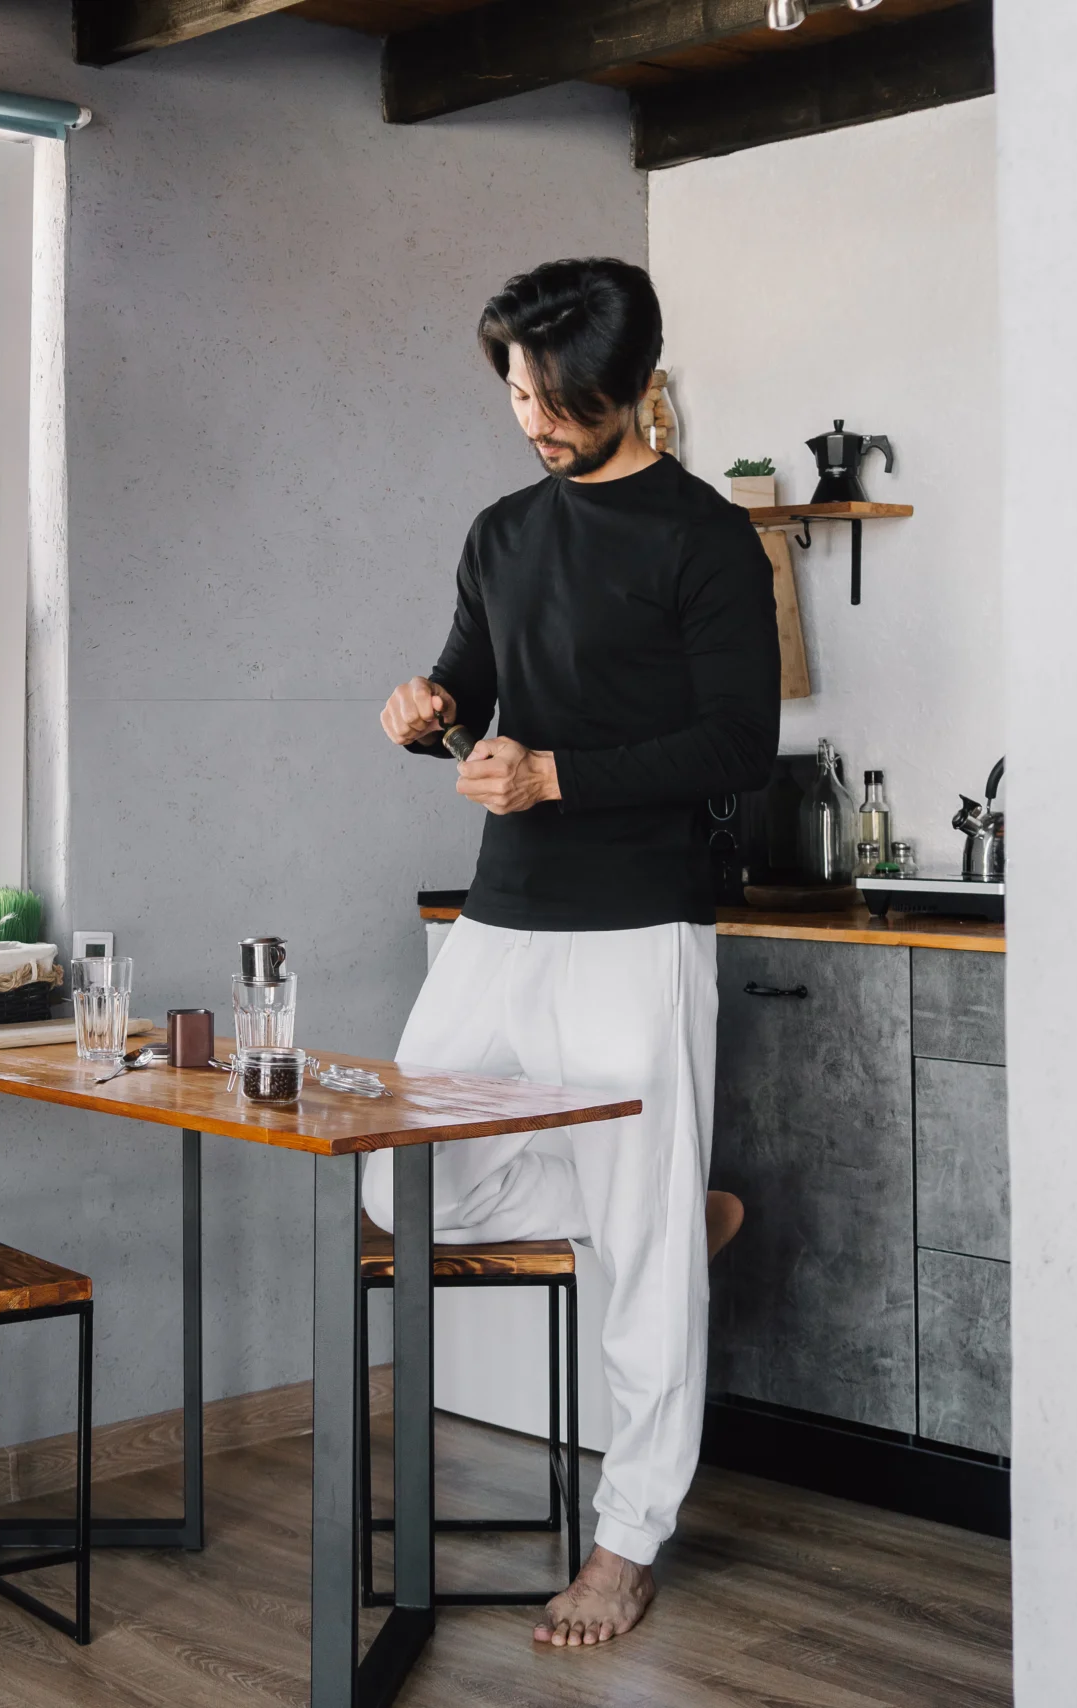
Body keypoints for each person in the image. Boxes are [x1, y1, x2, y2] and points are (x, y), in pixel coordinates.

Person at [371, 257, 777, 1648]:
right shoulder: (498, 532)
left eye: (564, 401)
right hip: (505, 915)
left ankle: (628, 1537)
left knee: (647, 1251)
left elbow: (740, 748)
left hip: (640, 919)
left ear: (636, 389)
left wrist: (559, 778)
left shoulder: (710, 540)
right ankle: (661, 1198)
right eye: (521, 394)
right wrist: (429, 712)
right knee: (393, 1173)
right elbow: (473, 701)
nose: (537, 421)